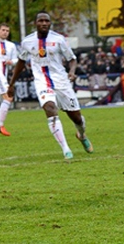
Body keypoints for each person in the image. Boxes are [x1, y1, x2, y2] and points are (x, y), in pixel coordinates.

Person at [7, 12, 93, 160]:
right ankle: (66, 149)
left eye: (47, 21)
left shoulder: (59, 39)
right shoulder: (27, 42)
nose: (44, 23)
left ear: (50, 23)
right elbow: (21, 62)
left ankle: (82, 134)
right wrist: (11, 84)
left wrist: (72, 72)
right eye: (41, 21)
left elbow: (72, 59)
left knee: (77, 118)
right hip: (42, 82)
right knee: (50, 108)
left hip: (61, 82)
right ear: (36, 23)